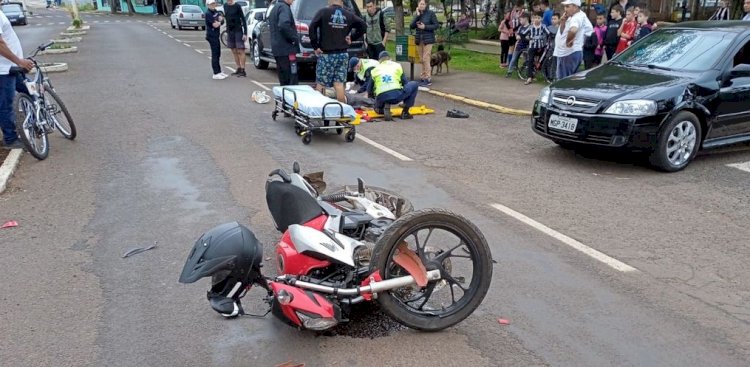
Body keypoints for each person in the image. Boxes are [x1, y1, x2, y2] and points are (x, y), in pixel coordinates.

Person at [309, 0, 366, 103]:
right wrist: (352, 38)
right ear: (342, 2)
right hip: (342, 55)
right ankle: (341, 112)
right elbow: (363, 26)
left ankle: (319, 110)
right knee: (339, 85)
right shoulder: (349, 15)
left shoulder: (323, 12)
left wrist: (315, 46)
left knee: (321, 84)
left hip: (327, 55)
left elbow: (312, 26)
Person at [0, 10, 33, 150]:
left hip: (12, 67)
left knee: (31, 91)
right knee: (6, 105)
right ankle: (10, 140)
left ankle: (37, 123)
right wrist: (19, 61)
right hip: (4, 70)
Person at [366, 51, 419, 120]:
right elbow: (405, 83)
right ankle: (405, 112)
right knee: (414, 84)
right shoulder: (397, 66)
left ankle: (380, 107)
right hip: (396, 96)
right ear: (390, 58)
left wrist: (375, 101)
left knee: (382, 93)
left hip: (381, 97)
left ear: (379, 60)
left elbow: (369, 89)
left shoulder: (375, 70)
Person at [554, 0, 593, 80]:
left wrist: (569, 41)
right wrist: (563, 22)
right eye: (565, 6)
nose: (565, 9)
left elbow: (573, 30)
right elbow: (590, 30)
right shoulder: (575, 16)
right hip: (566, 53)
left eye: (568, 6)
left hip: (568, 54)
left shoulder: (577, 17)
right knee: (569, 80)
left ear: (575, 7)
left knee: (564, 82)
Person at [268, 0, 300, 86]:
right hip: (287, 49)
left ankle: (284, 97)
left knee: (283, 79)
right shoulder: (284, 7)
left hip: (277, 49)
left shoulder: (275, 7)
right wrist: (294, 38)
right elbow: (283, 24)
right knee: (291, 79)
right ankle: (290, 98)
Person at [409, 0, 439, 86]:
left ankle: (428, 78)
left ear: (425, 5)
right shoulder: (417, 14)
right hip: (419, 39)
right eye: (420, 4)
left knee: (426, 58)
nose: (422, 5)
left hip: (428, 40)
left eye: (423, 4)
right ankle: (423, 77)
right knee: (421, 59)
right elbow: (411, 26)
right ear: (418, 5)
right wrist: (417, 16)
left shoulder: (431, 13)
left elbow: (436, 25)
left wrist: (425, 27)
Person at [525, 12, 550, 85]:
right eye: (535, 18)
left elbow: (549, 34)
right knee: (530, 60)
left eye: (538, 18)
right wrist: (528, 38)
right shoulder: (530, 27)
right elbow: (523, 34)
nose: (537, 19)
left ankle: (542, 74)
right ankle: (529, 77)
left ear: (541, 19)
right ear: (533, 19)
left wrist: (547, 41)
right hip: (532, 47)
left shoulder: (543, 26)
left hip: (540, 47)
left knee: (543, 60)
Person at [205, 0, 227, 80]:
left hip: (216, 35)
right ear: (208, 5)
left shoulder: (216, 11)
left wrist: (220, 21)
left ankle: (219, 71)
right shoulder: (208, 13)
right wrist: (219, 21)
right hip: (211, 36)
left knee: (218, 53)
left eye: (214, 3)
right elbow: (215, 25)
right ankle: (215, 73)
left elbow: (222, 20)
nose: (213, 5)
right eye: (211, 4)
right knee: (215, 54)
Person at [506, 12, 530, 78]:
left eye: (521, 20)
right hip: (519, 46)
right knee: (514, 58)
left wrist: (522, 37)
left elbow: (528, 37)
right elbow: (517, 37)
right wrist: (523, 37)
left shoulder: (530, 27)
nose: (520, 21)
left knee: (526, 59)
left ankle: (525, 72)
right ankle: (509, 71)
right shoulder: (520, 27)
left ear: (526, 19)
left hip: (527, 46)